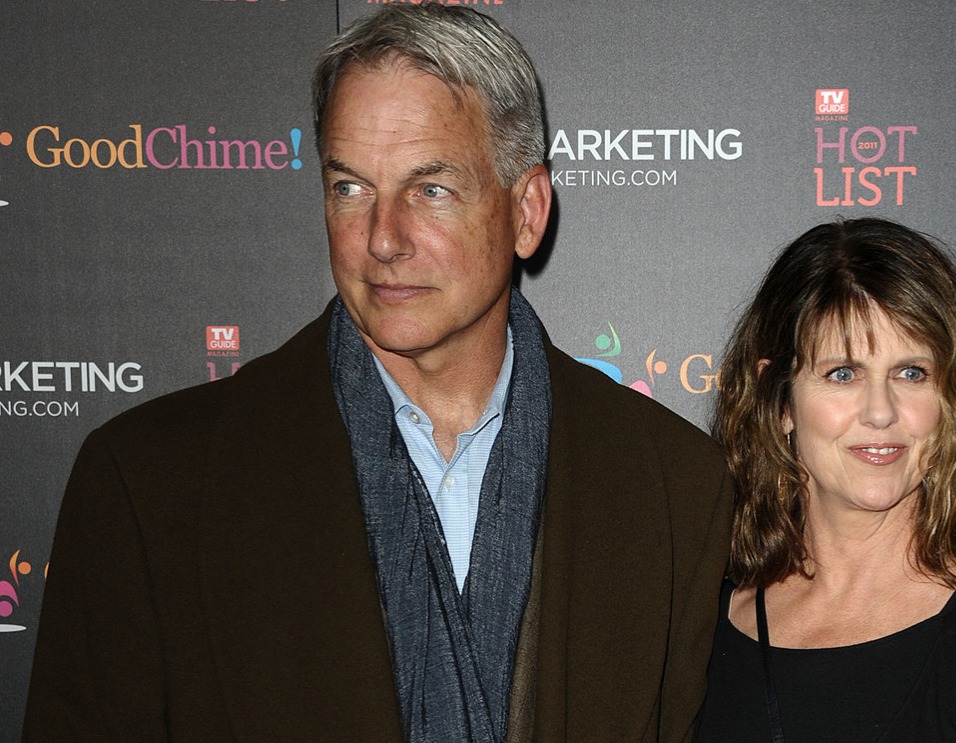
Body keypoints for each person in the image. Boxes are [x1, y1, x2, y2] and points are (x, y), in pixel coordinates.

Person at [23, 5, 731, 742]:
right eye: (350, 188)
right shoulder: (148, 486)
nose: (382, 238)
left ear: (527, 210)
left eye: (430, 189)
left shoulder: (675, 487)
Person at [694, 218, 956, 742]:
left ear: (955, 396)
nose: (881, 412)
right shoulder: (704, 627)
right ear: (779, 399)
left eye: (912, 373)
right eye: (843, 374)